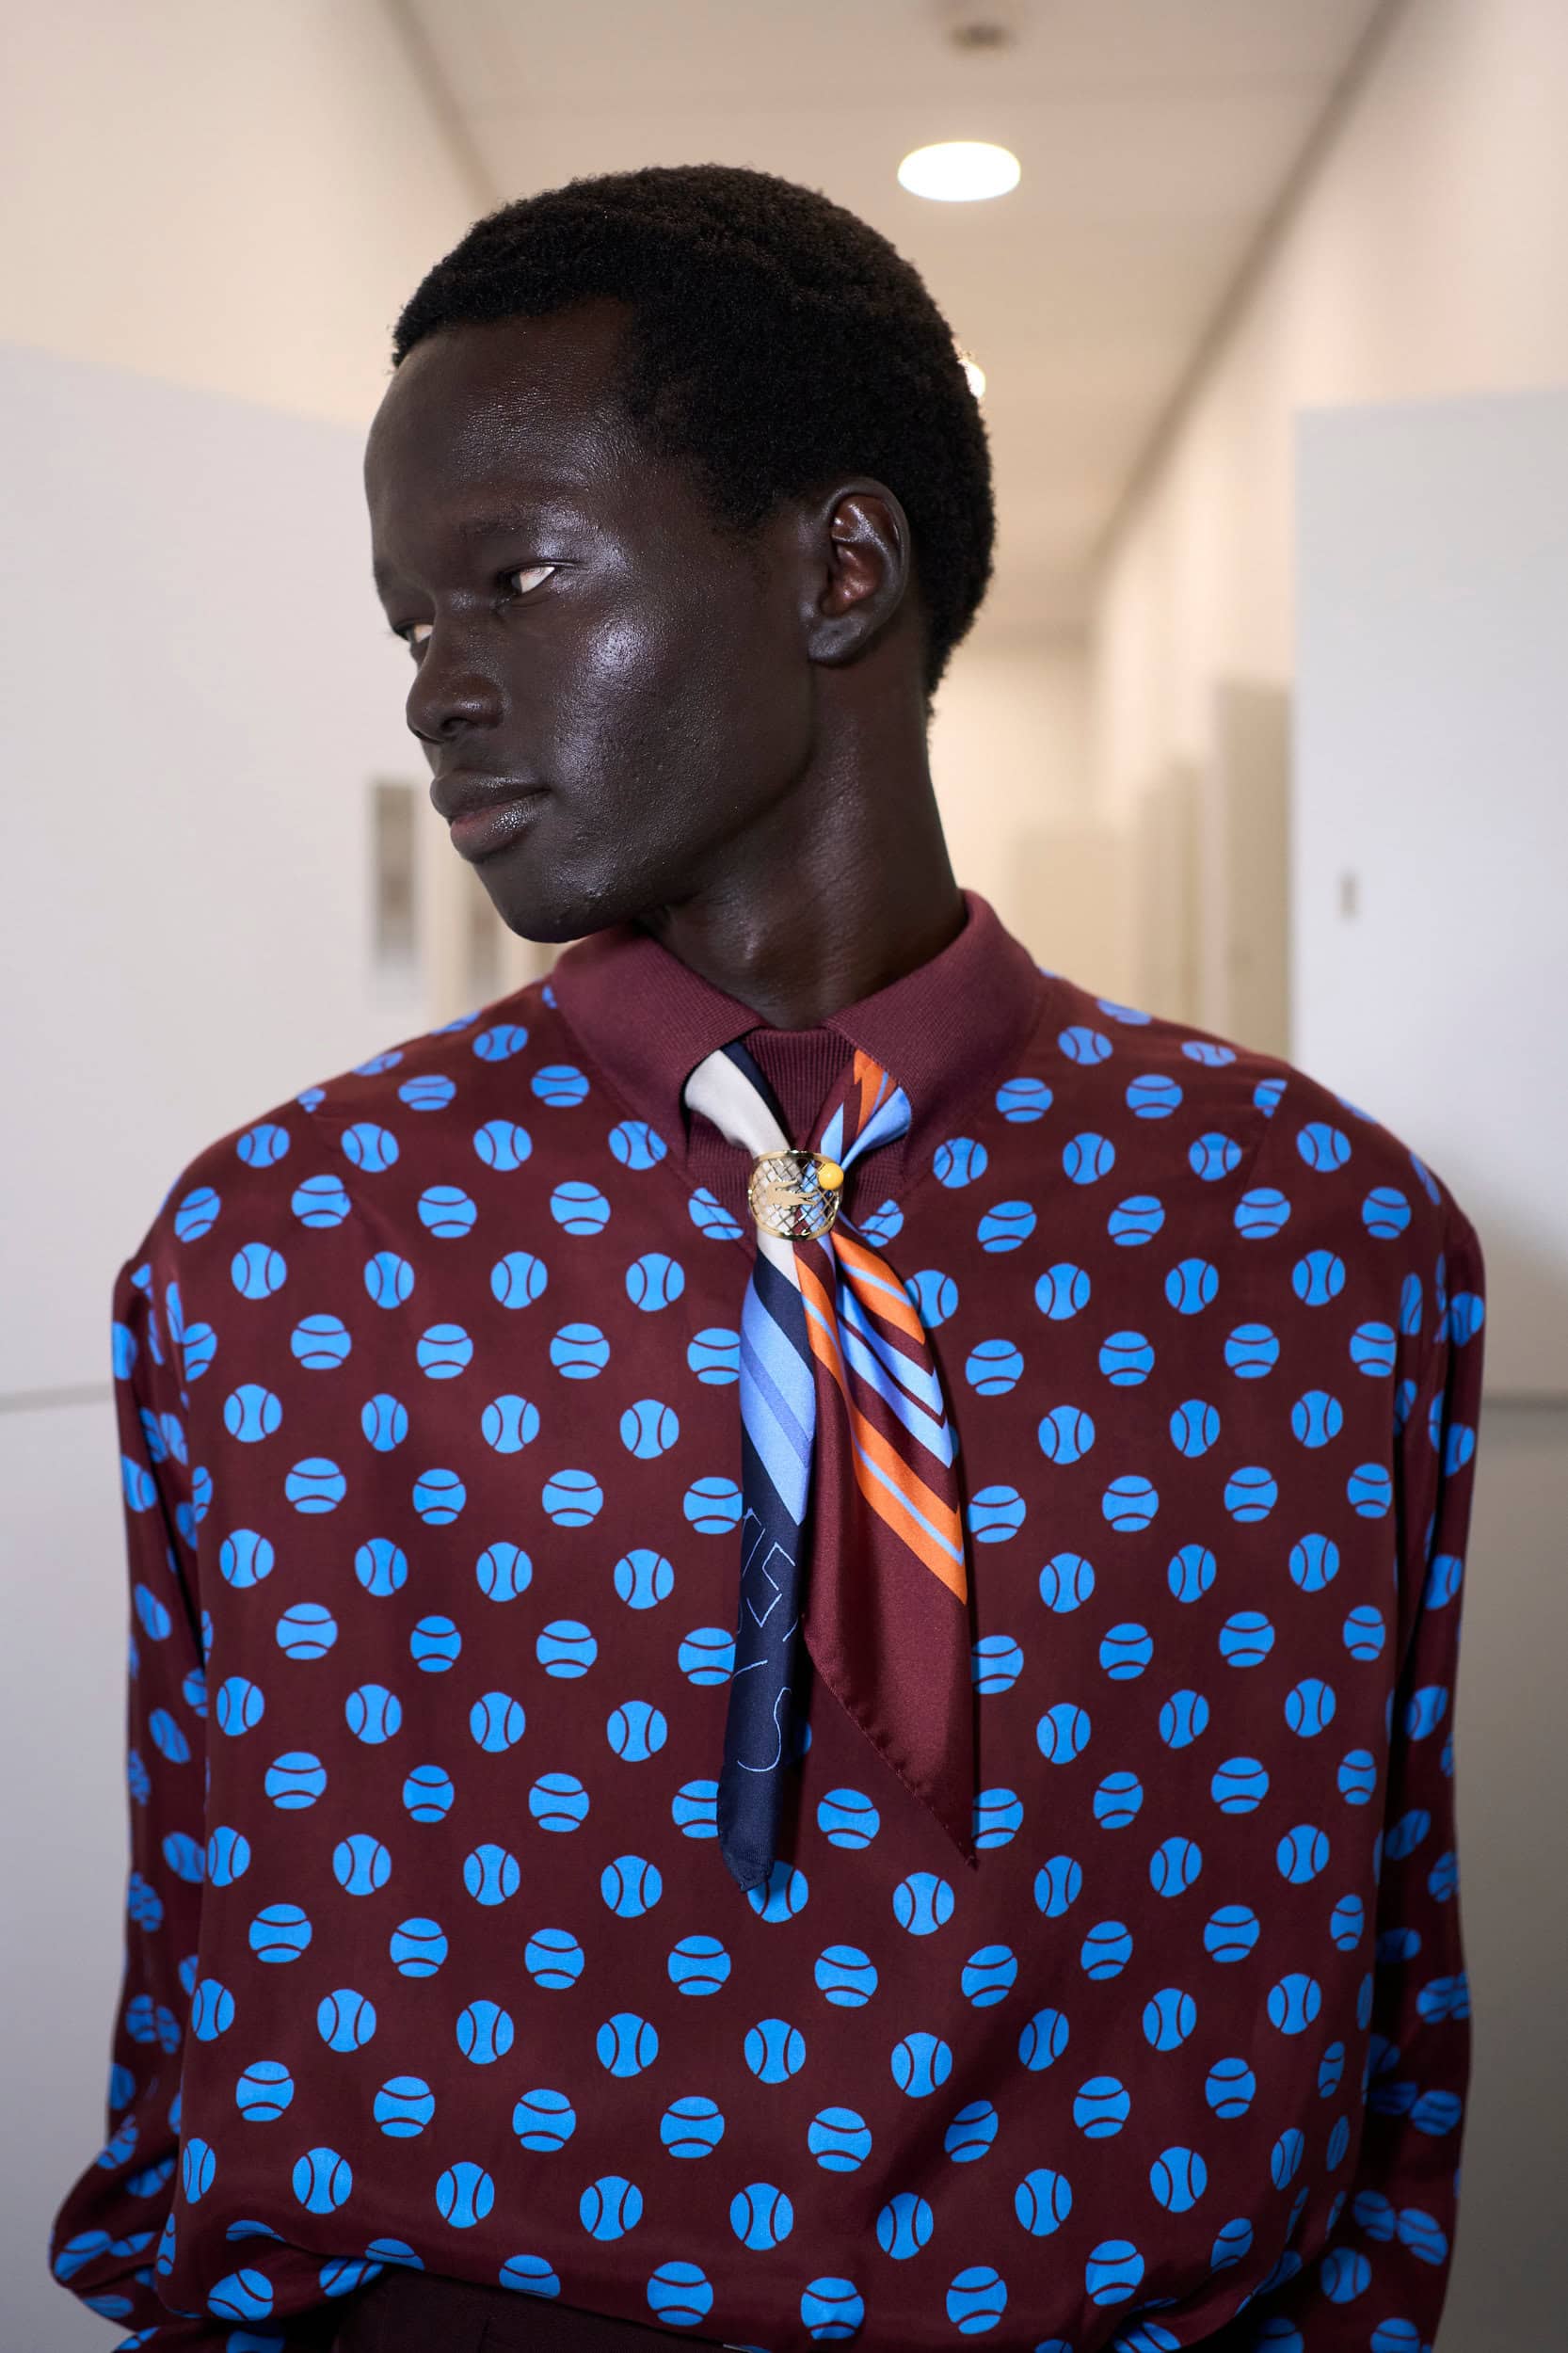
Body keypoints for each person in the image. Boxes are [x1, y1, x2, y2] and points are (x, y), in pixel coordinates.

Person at [46, 164, 1487, 2353]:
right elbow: (196, 1952)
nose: (436, 692)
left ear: (836, 569)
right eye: (411, 625)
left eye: (517, 579)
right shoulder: (276, 1248)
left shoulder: (1314, 1234)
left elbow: (1379, 1966)